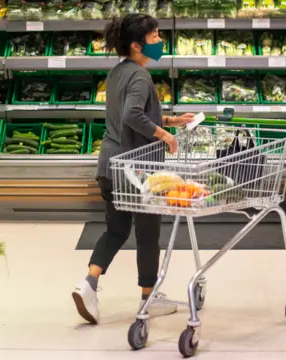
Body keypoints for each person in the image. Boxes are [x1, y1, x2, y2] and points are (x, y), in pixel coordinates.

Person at [72, 13, 195, 325]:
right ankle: (148, 297)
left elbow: (134, 112)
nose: (160, 42)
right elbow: (131, 115)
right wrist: (165, 135)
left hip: (110, 166)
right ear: (138, 44)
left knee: (116, 230)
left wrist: (171, 120)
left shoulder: (118, 72)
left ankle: (89, 284)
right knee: (148, 233)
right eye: (155, 37)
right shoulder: (141, 76)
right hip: (135, 169)